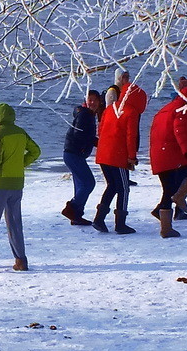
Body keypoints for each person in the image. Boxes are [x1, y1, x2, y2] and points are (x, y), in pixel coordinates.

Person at [0, 103, 41, 273]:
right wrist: (21, 164)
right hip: (17, 182)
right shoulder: (20, 132)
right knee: (15, 223)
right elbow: (36, 151)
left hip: (0, 183)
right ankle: (21, 260)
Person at [92, 71, 147, 233]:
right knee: (123, 188)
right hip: (118, 156)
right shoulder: (131, 112)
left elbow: (101, 129)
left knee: (112, 185)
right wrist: (131, 157)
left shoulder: (110, 109)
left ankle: (99, 219)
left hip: (103, 155)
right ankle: (120, 224)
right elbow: (131, 137)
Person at [148, 78, 187, 237]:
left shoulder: (166, 108)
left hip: (159, 155)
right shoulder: (183, 109)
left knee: (168, 189)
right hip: (172, 155)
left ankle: (163, 219)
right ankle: (177, 201)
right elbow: (180, 130)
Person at [61, 90, 103, 226]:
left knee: (80, 185)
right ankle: (72, 208)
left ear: (99, 102)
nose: (93, 103)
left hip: (72, 153)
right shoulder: (85, 114)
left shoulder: (87, 114)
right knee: (89, 183)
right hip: (74, 153)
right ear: (85, 101)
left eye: (95, 100)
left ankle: (76, 216)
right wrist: (98, 143)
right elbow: (79, 134)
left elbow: (85, 135)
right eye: (90, 100)